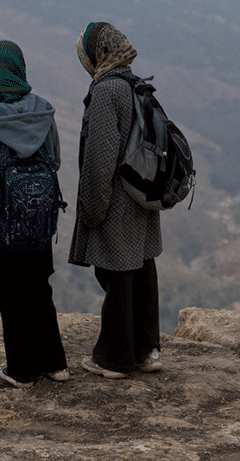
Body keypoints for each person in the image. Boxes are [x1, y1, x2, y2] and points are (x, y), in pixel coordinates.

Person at [0, 40, 69, 389]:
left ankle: (22, 369)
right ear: (20, 70)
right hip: (40, 224)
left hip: (1, 227)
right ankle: (55, 363)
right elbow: (54, 161)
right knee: (40, 288)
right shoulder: (43, 115)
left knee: (11, 295)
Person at [69, 22, 164, 379]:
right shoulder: (136, 84)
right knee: (142, 268)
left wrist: (92, 208)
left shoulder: (107, 91)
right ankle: (148, 350)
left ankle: (115, 358)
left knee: (118, 273)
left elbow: (100, 159)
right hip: (143, 196)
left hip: (118, 202)